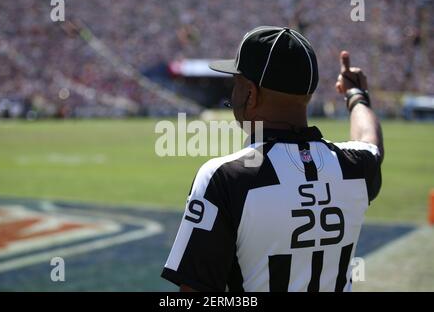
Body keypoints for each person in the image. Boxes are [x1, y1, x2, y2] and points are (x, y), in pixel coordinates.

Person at [161, 26, 383, 292]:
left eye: (236, 84)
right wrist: (356, 95)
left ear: (251, 95)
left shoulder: (224, 177)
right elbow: (370, 142)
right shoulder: (357, 167)